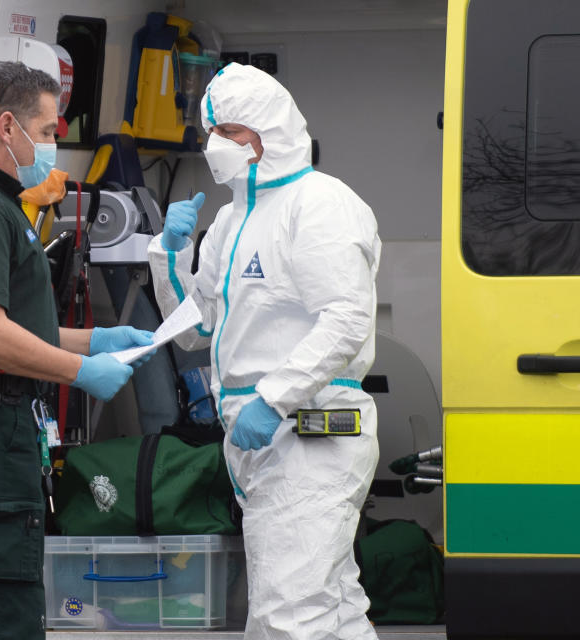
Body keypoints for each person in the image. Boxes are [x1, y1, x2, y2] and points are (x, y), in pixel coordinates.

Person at [0, 61, 152, 640]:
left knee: (8, 600)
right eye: (46, 131)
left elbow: (17, 324)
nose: (52, 146)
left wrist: (96, 340)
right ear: (6, 127)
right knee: (2, 615)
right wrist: (81, 371)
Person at [148, 62, 381, 640]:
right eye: (213, 131)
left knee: (287, 617)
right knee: (332, 607)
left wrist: (273, 400)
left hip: (310, 430)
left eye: (231, 131)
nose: (217, 145)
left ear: (269, 134)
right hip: (262, 438)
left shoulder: (319, 205)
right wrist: (170, 251)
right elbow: (195, 329)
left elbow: (347, 320)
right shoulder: (230, 219)